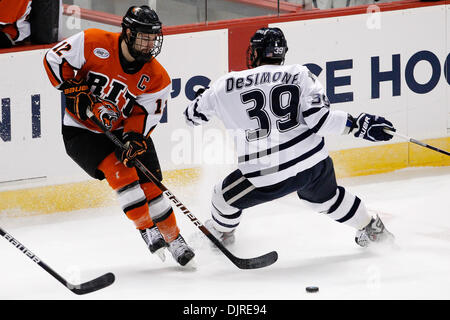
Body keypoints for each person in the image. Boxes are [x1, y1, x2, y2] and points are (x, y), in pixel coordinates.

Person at [184, 27, 395, 248]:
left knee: (222, 198)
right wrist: (357, 124)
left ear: (255, 53)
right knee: (327, 198)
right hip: (311, 163)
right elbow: (320, 120)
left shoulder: (224, 85)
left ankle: (222, 236)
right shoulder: (300, 74)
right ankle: (373, 229)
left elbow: (192, 117)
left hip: (266, 172)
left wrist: (204, 98)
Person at [43, 5, 195, 267]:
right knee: (123, 175)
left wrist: (135, 138)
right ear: (127, 32)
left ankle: (175, 238)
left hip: (122, 129)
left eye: (153, 38)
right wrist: (72, 88)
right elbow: (54, 58)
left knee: (151, 185)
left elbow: (145, 114)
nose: (150, 44)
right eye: (144, 37)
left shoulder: (157, 77)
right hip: (81, 131)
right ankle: (146, 228)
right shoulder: (92, 41)